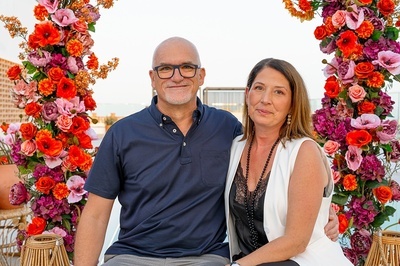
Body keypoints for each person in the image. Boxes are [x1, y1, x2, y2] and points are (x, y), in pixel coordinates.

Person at [74, 37, 339, 266]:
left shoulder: (227, 130)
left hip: (207, 258)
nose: (177, 76)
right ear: (153, 78)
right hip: (133, 257)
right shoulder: (122, 134)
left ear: (201, 76)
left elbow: (285, 170)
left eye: (187, 67)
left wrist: (321, 210)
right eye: (166, 69)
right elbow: (96, 215)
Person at [224, 58, 352, 266]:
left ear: (293, 104)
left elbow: (297, 241)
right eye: (259, 88)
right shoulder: (234, 148)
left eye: (279, 92)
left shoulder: (304, 151)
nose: (265, 99)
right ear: (247, 95)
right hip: (249, 261)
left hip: (302, 261)